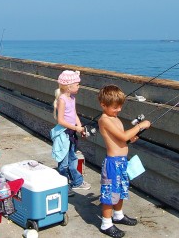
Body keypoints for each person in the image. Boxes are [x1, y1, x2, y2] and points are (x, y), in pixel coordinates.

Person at [97, 85, 151, 238]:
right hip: (113, 163)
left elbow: (121, 140)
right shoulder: (104, 120)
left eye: (120, 106)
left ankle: (118, 215)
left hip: (122, 162)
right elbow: (122, 136)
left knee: (120, 191)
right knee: (110, 194)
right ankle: (106, 224)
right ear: (103, 105)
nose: (119, 110)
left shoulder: (115, 118)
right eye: (115, 107)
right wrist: (140, 126)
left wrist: (129, 140)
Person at [52, 70, 91, 193]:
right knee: (63, 162)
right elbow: (60, 120)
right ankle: (64, 186)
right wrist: (76, 128)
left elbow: (74, 114)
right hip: (64, 134)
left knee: (73, 158)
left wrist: (80, 127)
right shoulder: (62, 100)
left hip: (72, 133)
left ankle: (76, 182)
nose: (79, 86)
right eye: (77, 84)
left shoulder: (72, 98)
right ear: (69, 87)